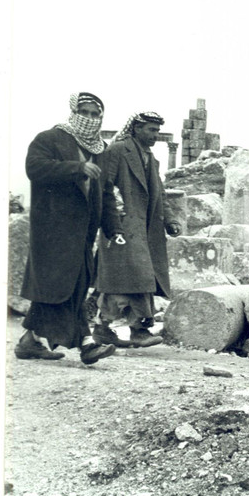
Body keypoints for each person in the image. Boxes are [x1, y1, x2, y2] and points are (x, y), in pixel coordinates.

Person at [16, 92, 121, 364]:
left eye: (94, 114)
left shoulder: (102, 150)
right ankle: (86, 343)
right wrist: (77, 168)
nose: (88, 118)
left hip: (84, 233)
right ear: (73, 111)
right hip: (53, 228)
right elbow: (35, 168)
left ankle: (30, 340)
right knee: (63, 284)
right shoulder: (49, 139)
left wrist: (114, 229)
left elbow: (106, 192)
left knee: (70, 284)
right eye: (83, 112)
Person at [93, 111, 181, 348]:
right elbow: (105, 187)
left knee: (138, 278)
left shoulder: (150, 157)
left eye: (157, 130)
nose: (155, 135)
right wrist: (115, 221)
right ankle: (124, 328)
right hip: (121, 226)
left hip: (146, 228)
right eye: (151, 130)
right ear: (136, 129)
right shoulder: (117, 150)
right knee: (124, 279)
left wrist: (170, 220)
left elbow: (160, 193)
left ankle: (130, 329)